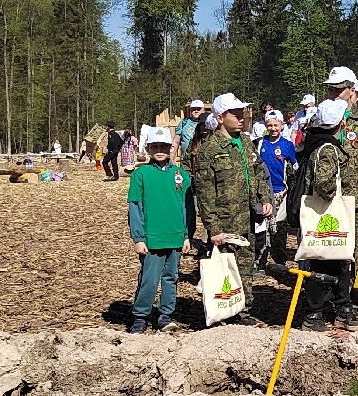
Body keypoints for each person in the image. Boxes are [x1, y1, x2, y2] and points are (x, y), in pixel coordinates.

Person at [192, 93, 273, 316]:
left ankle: (244, 309)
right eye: (235, 114)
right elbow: (205, 192)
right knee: (226, 268)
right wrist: (213, 228)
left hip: (249, 217)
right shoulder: (210, 149)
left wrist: (265, 198)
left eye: (242, 113)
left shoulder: (246, 141)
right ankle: (225, 311)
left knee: (246, 265)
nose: (241, 118)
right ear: (220, 118)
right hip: (225, 220)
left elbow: (258, 172)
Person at [321, 66, 358, 327]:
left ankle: (347, 299)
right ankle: (325, 300)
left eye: (339, 89)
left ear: (353, 89)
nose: (334, 93)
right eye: (331, 88)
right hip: (328, 198)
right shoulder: (320, 117)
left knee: (352, 251)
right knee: (327, 249)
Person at [292, 98, 355, 334]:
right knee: (325, 261)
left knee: (330, 260)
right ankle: (316, 311)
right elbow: (323, 184)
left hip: (319, 213)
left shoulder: (312, 142)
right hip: (326, 213)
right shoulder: (327, 149)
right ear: (339, 122)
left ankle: (332, 307)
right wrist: (336, 192)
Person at [126, 127, 194, 334]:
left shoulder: (180, 175)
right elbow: (135, 206)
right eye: (154, 146)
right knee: (149, 278)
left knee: (171, 276)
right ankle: (141, 315)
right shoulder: (141, 174)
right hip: (151, 238)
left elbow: (188, 208)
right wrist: (138, 237)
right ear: (147, 148)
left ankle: (165, 314)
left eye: (163, 146)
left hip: (175, 236)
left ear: (171, 148)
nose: (159, 150)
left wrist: (187, 235)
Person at [256, 110, 297, 271]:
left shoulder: (287, 145)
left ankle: (280, 261)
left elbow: (294, 167)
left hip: (282, 192)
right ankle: (260, 261)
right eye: (269, 125)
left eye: (275, 125)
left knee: (279, 228)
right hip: (264, 191)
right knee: (263, 228)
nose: (272, 128)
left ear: (281, 125)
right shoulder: (260, 144)